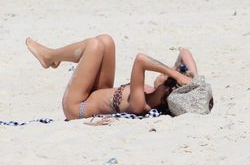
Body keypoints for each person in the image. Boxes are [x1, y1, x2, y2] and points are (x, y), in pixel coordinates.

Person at [26, 34, 197, 120]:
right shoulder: (152, 92)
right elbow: (184, 52)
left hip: (77, 107)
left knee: (94, 45)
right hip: (98, 91)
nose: (161, 74)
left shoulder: (140, 103)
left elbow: (140, 60)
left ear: (166, 89)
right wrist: (193, 79)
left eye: (164, 77)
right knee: (106, 41)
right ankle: (53, 58)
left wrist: (174, 73)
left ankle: (49, 57)